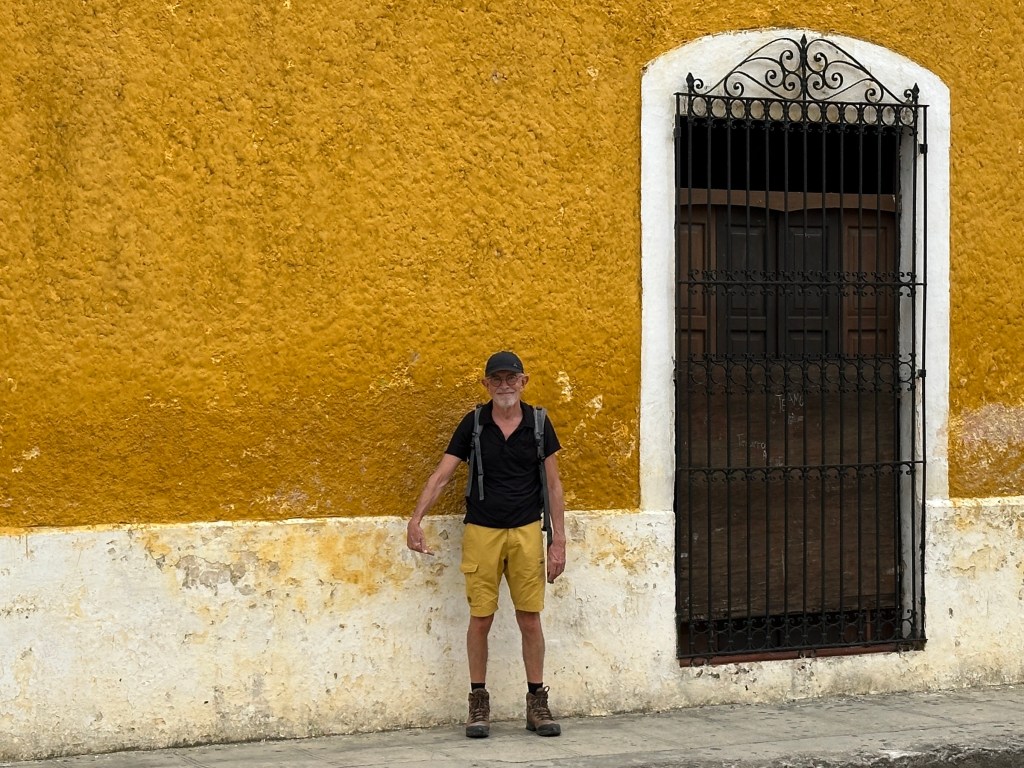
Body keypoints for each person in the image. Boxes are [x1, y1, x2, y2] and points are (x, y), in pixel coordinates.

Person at [406, 351, 567, 739]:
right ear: (486, 385)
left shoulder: (539, 424)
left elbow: (554, 485)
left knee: (530, 617)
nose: (505, 385)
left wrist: (557, 540)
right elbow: (442, 475)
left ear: (524, 381)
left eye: (511, 377)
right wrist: (416, 519)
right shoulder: (474, 424)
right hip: (481, 531)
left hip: (528, 530)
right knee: (481, 619)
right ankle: (478, 703)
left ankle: (536, 703)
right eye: (496, 378)